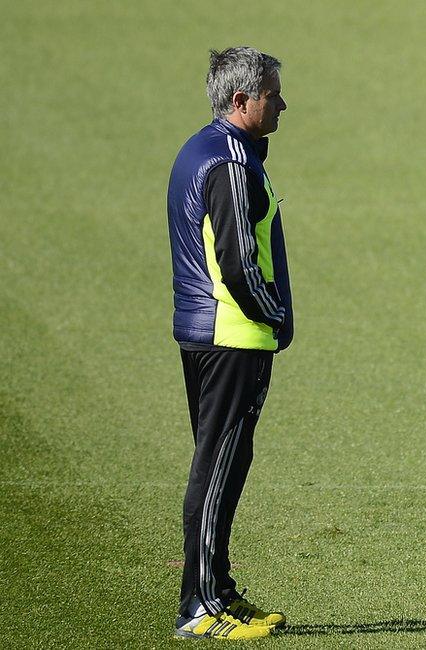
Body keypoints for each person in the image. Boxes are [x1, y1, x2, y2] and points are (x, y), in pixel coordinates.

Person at [167, 46, 293, 640]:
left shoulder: (206, 148)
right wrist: (276, 317)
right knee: (216, 467)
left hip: (210, 333)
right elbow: (240, 265)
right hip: (233, 336)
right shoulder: (229, 163)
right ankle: (199, 609)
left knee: (223, 462)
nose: (283, 104)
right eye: (273, 94)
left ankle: (216, 590)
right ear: (242, 99)